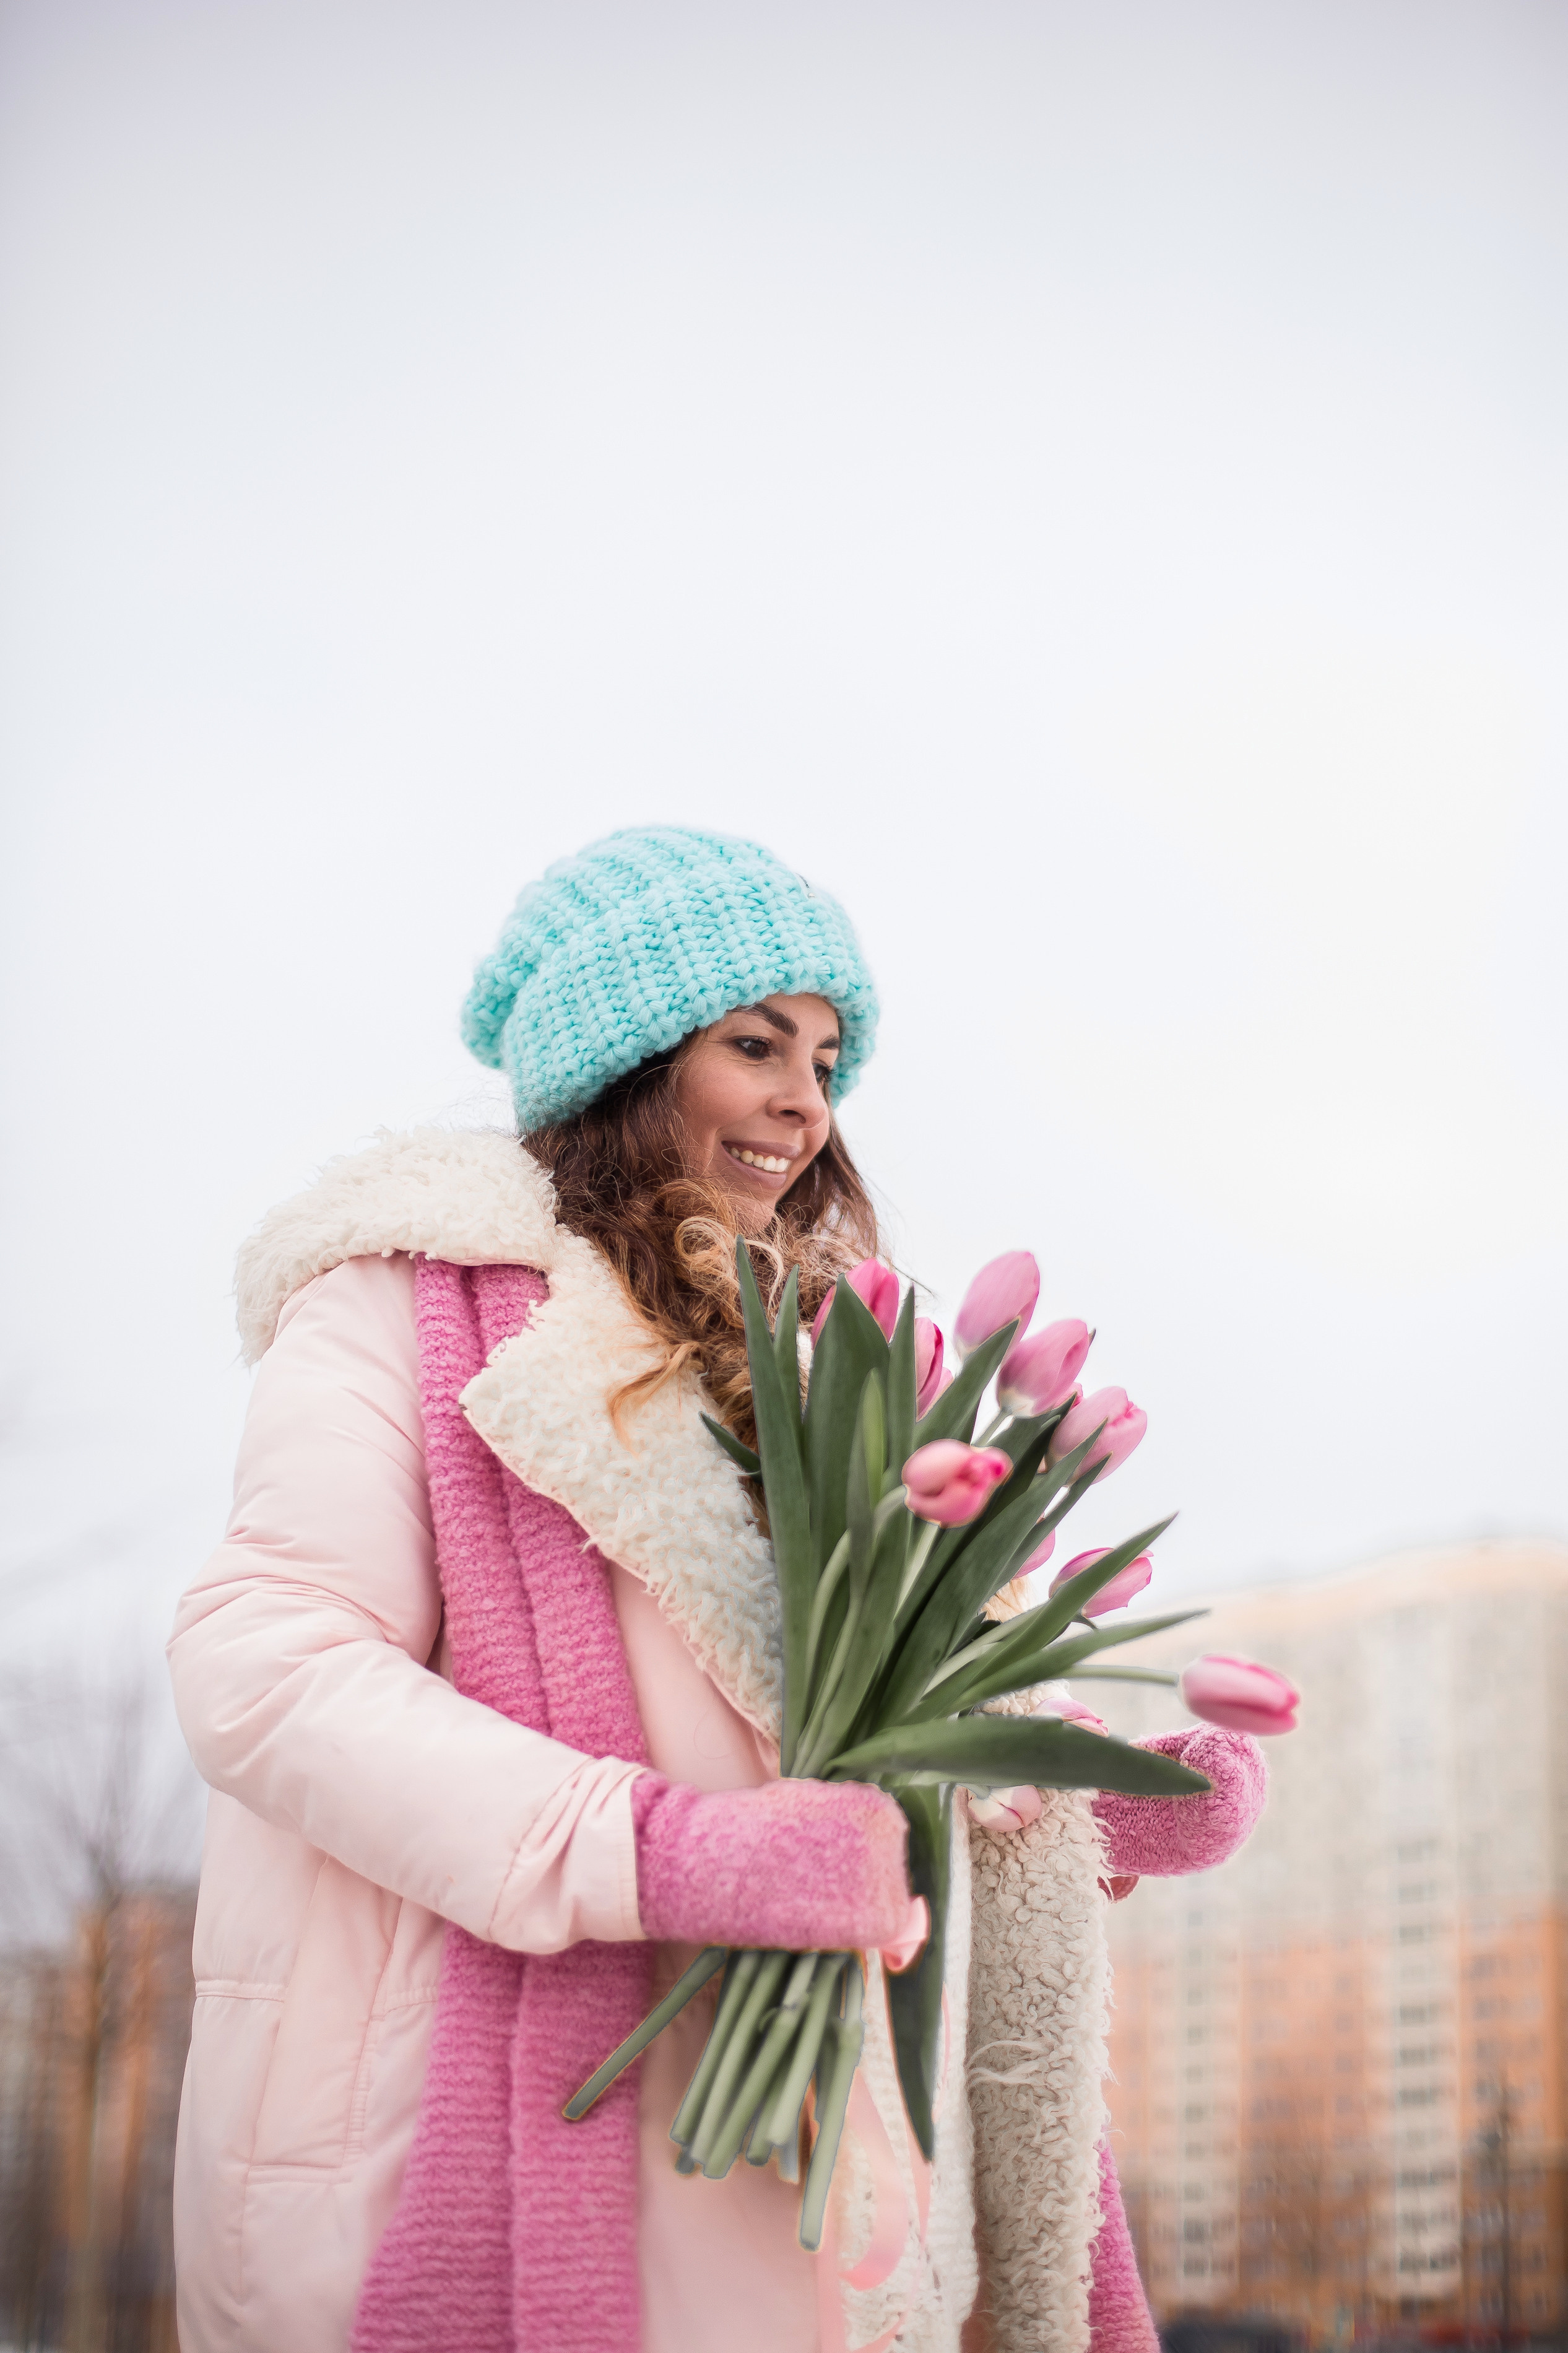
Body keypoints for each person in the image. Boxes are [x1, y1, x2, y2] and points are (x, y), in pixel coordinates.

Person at [168, 825, 1265, 2353]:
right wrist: (663, 1849)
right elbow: (266, 1669)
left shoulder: (822, 1367)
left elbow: (845, 1726)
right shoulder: (400, 1312)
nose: (805, 1104)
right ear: (620, 1058)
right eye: (755, 1043)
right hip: (520, 2127)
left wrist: (1062, 1781)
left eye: (826, 1058)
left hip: (819, 2173)